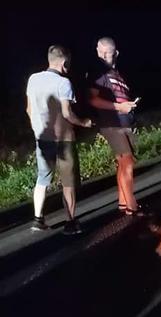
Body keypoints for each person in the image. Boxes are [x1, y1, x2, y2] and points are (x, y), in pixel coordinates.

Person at [26, 45, 93, 234]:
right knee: (68, 182)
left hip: (42, 139)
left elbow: (29, 110)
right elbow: (67, 113)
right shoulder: (63, 83)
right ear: (64, 62)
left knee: (42, 178)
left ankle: (38, 219)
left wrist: (36, 129)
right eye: (68, 63)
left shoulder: (33, 79)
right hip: (63, 140)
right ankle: (70, 222)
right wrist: (83, 123)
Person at [87, 37, 143, 216]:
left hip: (124, 122)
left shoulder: (116, 72)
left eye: (107, 52)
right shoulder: (98, 71)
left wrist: (128, 106)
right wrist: (119, 107)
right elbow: (93, 99)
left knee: (123, 163)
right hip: (112, 123)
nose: (103, 55)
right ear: (96, 50)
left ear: (116, 53)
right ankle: (132, 207)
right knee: (127, 163)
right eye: (100, 51)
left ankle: (123, 202)